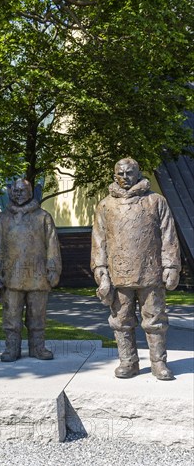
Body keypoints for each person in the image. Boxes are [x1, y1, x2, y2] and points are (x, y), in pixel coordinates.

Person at [91, 158, 181, 380]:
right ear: (114, 175)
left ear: (138, 173)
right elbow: (98, 241)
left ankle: (158, 363)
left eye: (129, 173)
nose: (124, 177)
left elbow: (169, 235)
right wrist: (101, 271)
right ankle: (128, 361)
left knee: (155, 320)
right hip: (118, 274)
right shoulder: (105, 205)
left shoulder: (155, 201)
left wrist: (171, 265)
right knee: (121, 321)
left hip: (150, 272)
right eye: (120, 173)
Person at [0, 179, 62, 362]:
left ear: (31, 192)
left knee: (37, 315)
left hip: (38, 277)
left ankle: (37, 348)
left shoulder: (43, 217)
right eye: (15, 191)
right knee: (11, 316)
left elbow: (52, 246)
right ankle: (12, 349)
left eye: (23, 190)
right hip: (11, 278)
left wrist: (53, 270)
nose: (18, 194)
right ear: (10, 193)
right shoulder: (3, 218)